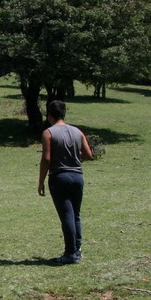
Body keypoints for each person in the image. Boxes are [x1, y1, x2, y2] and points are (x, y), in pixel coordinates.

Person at [38, 100, 94, 264]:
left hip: (59, 177)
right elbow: (89, 155)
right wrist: (74, 155)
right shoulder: (77, 131)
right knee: (75, 214)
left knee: (66, 215)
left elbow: (46, 159)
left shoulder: (48, 133)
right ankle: (77, 249)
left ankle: (70, 253)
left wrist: (41, 181)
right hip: (77, 177)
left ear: (49, 115)